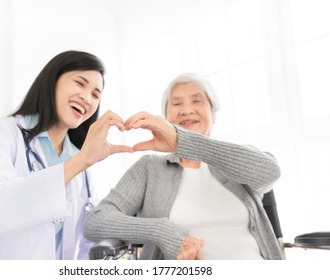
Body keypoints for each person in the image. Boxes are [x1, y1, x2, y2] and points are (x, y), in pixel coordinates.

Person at [0, 50, 132, 260]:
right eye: (79, 83)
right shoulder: (1, 134)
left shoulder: (81, 167)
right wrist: (80, 162)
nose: (87, 98)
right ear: (52, 81)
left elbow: (87, 241)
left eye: (96, 95)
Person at [84, 73, 284, 260]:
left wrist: (185, 142)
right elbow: (95, 221)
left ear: (213, 115)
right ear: (165, 119)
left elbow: (271, 172)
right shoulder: (150, 167)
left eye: (197, 101)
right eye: (176, 103)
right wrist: (161, 231)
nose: (187, 109)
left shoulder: (235, 158)